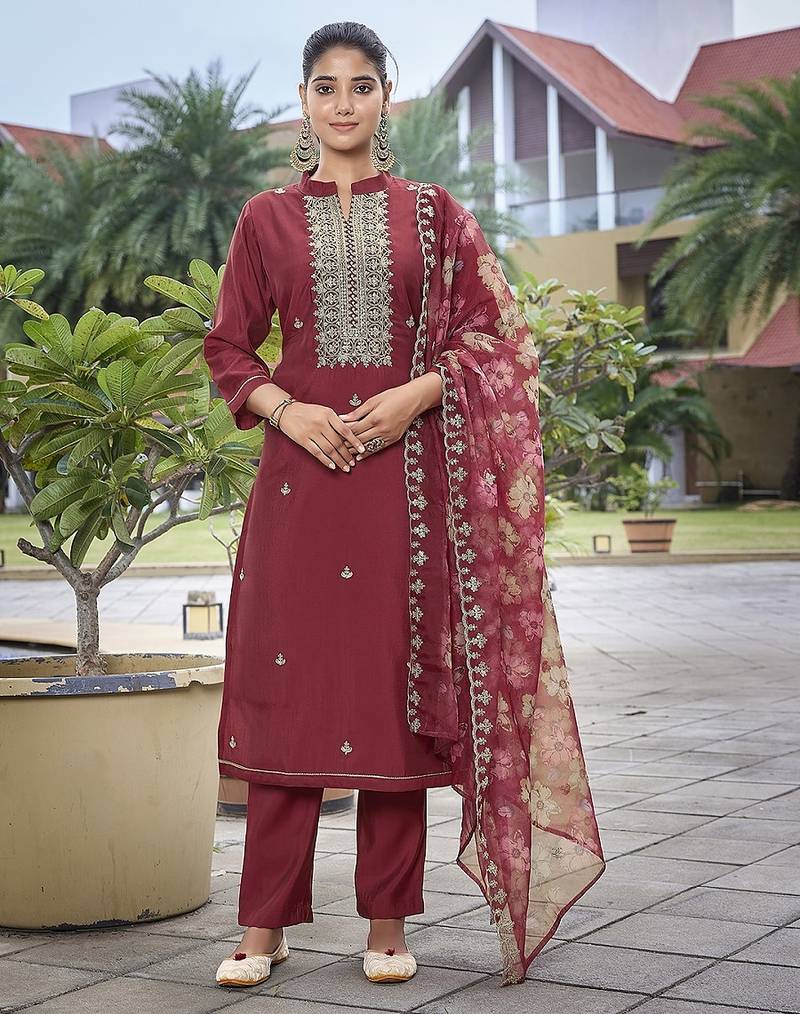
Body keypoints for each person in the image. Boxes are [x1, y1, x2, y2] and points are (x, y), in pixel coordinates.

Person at [204, 21, 606, 991]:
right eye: (325, 86)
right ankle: (263, 924)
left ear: (386, 97)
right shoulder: (264, 220)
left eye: (360, 85)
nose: (342, 103)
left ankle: (386, 921)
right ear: (304, 101)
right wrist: (288, 410)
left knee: (392, 696)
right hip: (298, 490)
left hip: (402, 493)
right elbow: (228, 347)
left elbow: (496, 338)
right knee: (286, 694)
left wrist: (419, 394)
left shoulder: (433, 215)